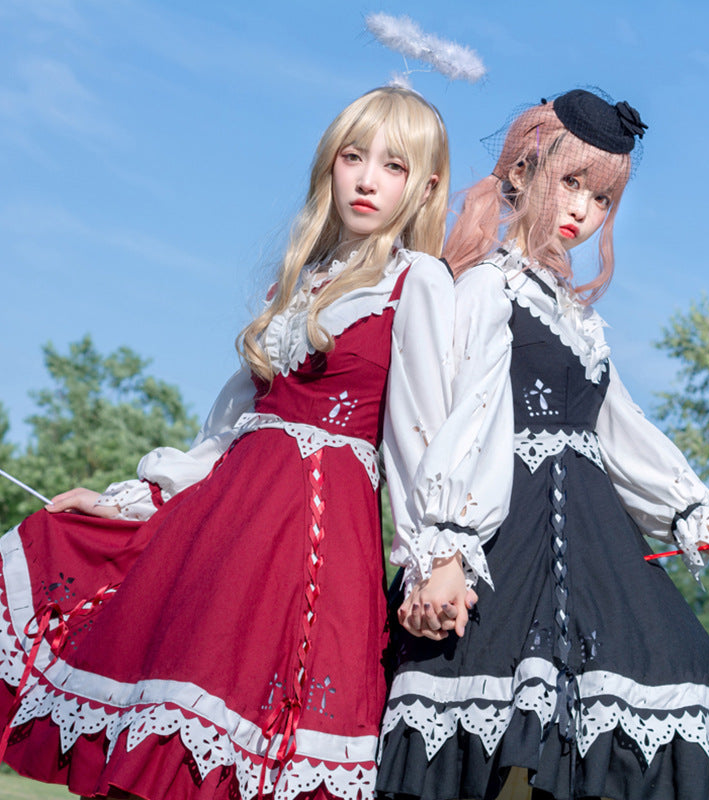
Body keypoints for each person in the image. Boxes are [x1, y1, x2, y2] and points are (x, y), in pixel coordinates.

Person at [0, 85, 459, 800]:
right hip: (220, 531)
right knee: (171, 741)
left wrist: (436, 556)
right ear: (329, 165)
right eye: (353, 157)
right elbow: (224, 433)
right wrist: (131, 500)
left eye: (394, 166)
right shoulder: (296, 284)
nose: (368, 179)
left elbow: (424, 437)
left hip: (311, 545)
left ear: (425, 186)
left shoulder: (417, 281)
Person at [376, 89, 709, 800]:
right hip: (507, 529)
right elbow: (460, 419)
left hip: (595, 538)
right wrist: (444, 549)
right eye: (572, 183)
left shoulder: (579, 321)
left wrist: (700, 519)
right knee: (485, 716)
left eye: (602, 198)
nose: (583, 210)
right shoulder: (488, 288)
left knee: (678, 661)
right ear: (521, 173)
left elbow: (621, 430)